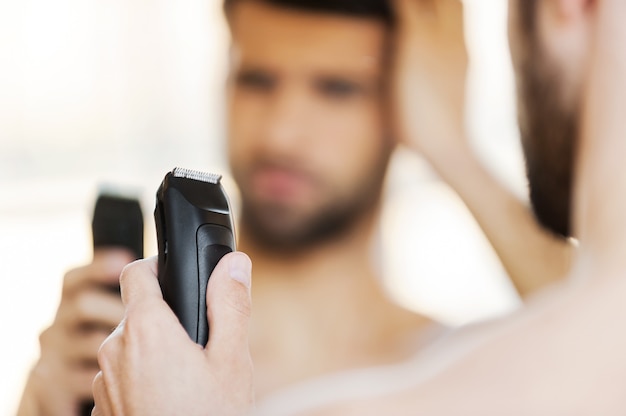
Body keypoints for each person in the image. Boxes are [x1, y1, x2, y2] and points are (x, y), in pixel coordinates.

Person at [17, 0, 573, 414]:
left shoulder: (471, 376)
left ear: (404, 103)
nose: (282, 134)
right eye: (257, 80)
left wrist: (453, 146)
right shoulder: (124, 370)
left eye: (336, 88)